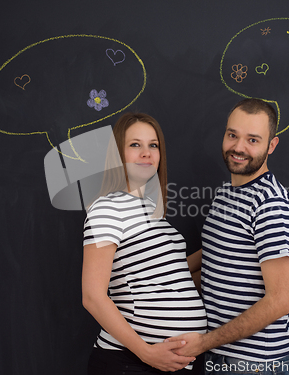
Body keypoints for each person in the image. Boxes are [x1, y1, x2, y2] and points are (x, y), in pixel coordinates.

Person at [167, 99, 289, 375]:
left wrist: (204, 342)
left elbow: (280, 301)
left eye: (253, 140)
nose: (238, 148)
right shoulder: (225, 194)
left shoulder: (272, 204)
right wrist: (160, 274)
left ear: (271, 146)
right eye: (233, 135)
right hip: (222, 360)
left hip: (259, 365)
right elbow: (214, 256)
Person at [82, 112, 207, 375]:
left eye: (153, 145)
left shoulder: (151, 212)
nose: (146, 153)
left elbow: (170, 275)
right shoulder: (108, 207)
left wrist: (220, 246)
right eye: (135, 145)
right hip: (131, 363)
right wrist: (147, 353)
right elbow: (93, 296)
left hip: (171, 365)